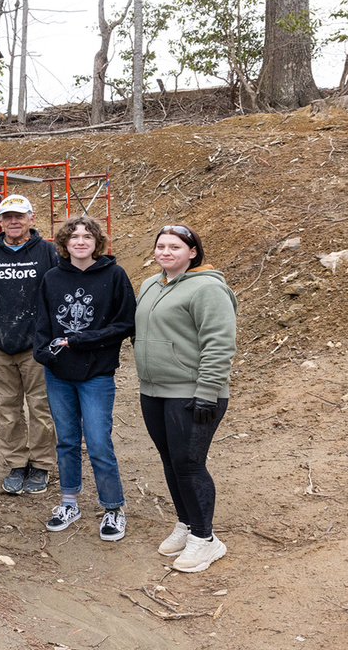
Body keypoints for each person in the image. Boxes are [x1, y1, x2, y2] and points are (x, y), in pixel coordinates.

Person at [135, 223, 237, 573]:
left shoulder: (208, 289)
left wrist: (208, 391)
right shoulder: (150, 284)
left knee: (189, 463)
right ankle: (187, 522)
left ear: (192, 252)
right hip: (154, 390)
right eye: (161, 246)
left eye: (175, 247)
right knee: (170, 459)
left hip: (192, 392)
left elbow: (219, 343)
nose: (165, 252)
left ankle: (206, 540)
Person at [32, 216, 136, 542]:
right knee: (66, 441)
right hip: (59, 374)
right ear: (64, 243)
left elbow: (125, 324)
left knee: (99, 442)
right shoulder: (51, 278)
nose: (80, 241)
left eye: (87, 236)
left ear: (97, 242)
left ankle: (113, 507)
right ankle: (69, 502)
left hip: (97, 374)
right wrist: (43, 353)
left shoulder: (114, 276)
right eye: (74, 236)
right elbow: (42, 324)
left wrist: (80, 340)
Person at [0, 194, 61, 495]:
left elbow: (60, 293)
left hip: (36, 347)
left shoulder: (48, 252)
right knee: (8, 409)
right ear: (0, 220)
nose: (13, 221)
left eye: (19, 216)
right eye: (7, 216)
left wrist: (47, 338)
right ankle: (17, 463)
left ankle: (41, 465)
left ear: (31, 218)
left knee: (40, 408)